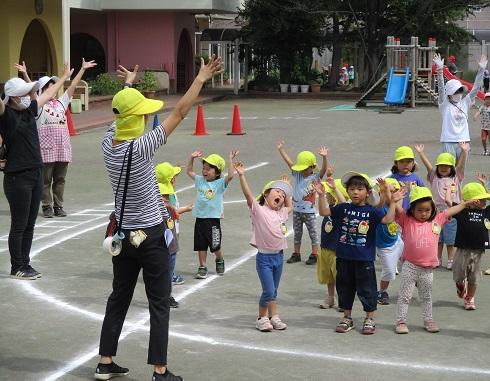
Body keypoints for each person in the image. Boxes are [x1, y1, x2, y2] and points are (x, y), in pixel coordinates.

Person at [95, 55, 222, 381]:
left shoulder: (108, 144)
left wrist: (128, 88)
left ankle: (106, 361)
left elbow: (118, 115)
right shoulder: (141, 148)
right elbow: (179, 112)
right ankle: (159, 370)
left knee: (119, 295)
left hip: (123, 234)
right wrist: (200, 79)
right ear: (136, 119)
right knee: (159, 302)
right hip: (150, 235)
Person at [0, 64, 73, 279]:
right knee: (19, 225)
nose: (29, 96)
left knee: (30, 225)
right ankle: (17, 266)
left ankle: (26, 263)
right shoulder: (6, 116)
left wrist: (64, 77)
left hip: (35, 173)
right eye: (24, 93)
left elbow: (49, 92)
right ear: (14, 97)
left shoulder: (30, 111)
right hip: (17, 177)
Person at [318, 172, 403, 335]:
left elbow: (388, 220)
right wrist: (321, 196)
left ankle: (369, 318)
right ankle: (347, 317)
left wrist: (393, 202)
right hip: (343, 258)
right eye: (352, 189)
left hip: (364, 260)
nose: (355, 192)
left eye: (359, 189)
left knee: (367, 289)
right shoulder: (343, 208)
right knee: (344, 289)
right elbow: (323, 212)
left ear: (368, 192)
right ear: (347, 191)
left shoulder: (371, 211)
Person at [15, 59, 97, 217]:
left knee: (60, 180)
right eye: (49, 85)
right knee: (45, 181)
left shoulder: (61, 103)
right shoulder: (38, 104)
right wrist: (25, 74)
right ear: (44, 89)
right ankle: (47, 207)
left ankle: (58, 206)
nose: (52, 88)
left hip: (62, 148)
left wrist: (82, 69)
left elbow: (72, 87)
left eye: (54, 85)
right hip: (46, 149)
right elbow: (33, 91)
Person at [394, 186, 477, 334]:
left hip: (427, 270)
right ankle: (401, 321)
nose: (424, 213)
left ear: (432, 209)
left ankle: (428, 320)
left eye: (427, 210)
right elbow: (395, 208)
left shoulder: (438, 220)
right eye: (419, 210)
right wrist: (391, 197)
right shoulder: (406, 220)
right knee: (405, 296)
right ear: (412, 210)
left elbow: (450, 211)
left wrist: (464, 204)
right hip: (410, 266)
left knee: (426, 297)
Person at [234, 159, 293, 332]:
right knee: (268, 290)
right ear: (266, 195)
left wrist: (286, 190)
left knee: (274, 290)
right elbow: (248, 195)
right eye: (277, 193)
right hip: (264, 258)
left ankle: (274, 316)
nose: (280, 197)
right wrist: (242, 175)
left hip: (279, 256)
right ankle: (261, 318)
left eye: (282, 196)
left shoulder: (281, 213)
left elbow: (290, 206)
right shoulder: (259, 211)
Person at [414, 143, 468, 269]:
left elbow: (460, 166)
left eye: (447, 166)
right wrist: (421, 153)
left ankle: (450, 259)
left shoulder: (456, 177)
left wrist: (464, 152)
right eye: (441, 166)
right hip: (436, 212)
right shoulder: (434, 176)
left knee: (450, 239)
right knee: (437, 238)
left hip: (451, 212)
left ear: (452, 167)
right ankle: (436, 258)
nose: (443, 168)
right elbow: (428, 166)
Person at [187, 149, 237, 279]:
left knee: (215, 245)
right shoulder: (200, 180)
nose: (204, 171)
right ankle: (202, 266)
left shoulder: (220, 184)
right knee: (200, 244)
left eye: (208, 169)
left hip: (213, 220)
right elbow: (190, 172)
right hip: (200, 218)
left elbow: (230, 176)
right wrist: (191, 158)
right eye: (204, 168)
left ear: (217, 172)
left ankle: (219, 258)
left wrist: (230, 160)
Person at [277, 141, 328, 265]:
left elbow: (324, 169)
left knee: (313, 234)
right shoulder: (298, 175)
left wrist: (324, 157)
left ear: (312, 167)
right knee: (297, 233)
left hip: (309, 212)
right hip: (297, 211)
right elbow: (290, 164)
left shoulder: (315, 177)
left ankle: (315, 254)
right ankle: (296, 253)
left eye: (305, 169)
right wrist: (281, 150)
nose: (303, 171)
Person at [433, 52, 487, 162]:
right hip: (448, 141)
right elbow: (441, 87)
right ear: (449, 93)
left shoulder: (465, 102)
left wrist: (481, 70)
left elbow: (476, 88)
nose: (459, 93)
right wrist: (439, 70)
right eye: (456, 91)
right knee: (449, 172)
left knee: (460, 173)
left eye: (460, 90)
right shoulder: (444, 104)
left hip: (464, 142)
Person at [155, 162, 193, 308]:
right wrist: (184, 210)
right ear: (170, 180)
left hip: (161, 239)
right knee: (167, 270)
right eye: (174, 177)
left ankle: (161, 295)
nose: (176, 179)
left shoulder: (156, 194)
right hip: (167, 239)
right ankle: (166, 296)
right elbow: (173, 214)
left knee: (161, 271)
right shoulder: (166, 200)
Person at [450, 181, 490, 310]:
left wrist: (484, 186)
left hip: (478, 251)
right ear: (474, 201)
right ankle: (460, 285)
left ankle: (470, 299)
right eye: (483, 199)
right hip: (463, 249)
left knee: (474, 277)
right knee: (459, 274)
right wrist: (462, 201)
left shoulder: (486, 212)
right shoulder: (461, 211)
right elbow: (448, 205)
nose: (485, 201)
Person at [313, 176, 348, 309]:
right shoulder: (331, 208)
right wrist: (321, 196)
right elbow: (321, 210)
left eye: (329, 193)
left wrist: (335, 188)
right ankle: (330, 297)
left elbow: (344, 203)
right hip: (326, 247)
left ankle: (342, 299)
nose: (327, 194)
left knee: (340, 277)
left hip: (337, 250)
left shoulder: (342, 210)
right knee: (328, 277)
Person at [374, 178, 404, 305]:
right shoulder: (377, 207)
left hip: (397, 241)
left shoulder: (395, 205)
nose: (390, 194)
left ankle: (415, 277)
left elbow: (398, 209)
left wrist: (394, 197)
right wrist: (385, 192)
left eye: (393, 191)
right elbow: (385, 215)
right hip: (384, 247)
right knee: (390, 271)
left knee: (411, 260)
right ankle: (382, 291)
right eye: (387, 191)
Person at [389, 146, 424, 210]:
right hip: (397, 212)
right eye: (402, 161)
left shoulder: (416, 178)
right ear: (396, 163)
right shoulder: (392, 179)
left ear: (413, 163)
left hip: (413, 212)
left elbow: (423, 195)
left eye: (408, 161)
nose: (405, 164)